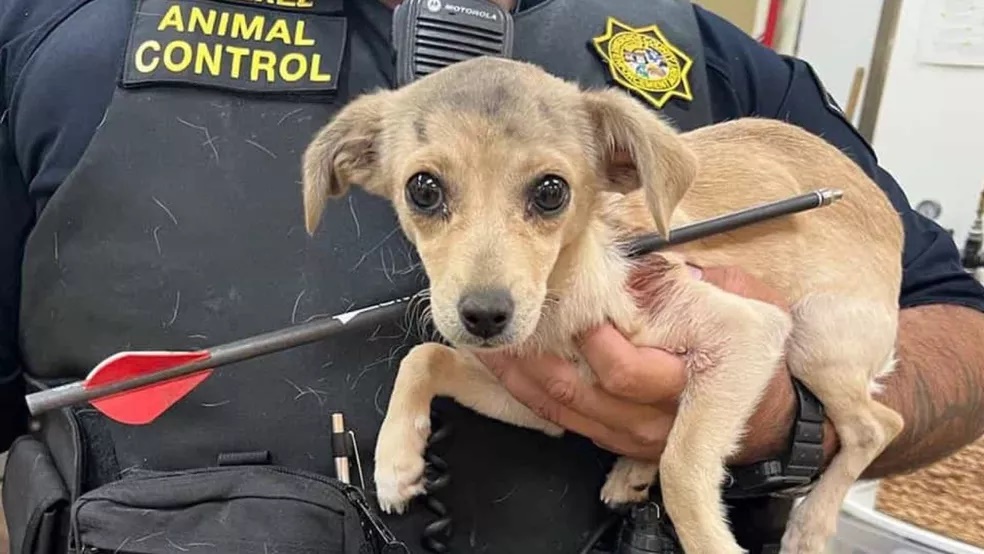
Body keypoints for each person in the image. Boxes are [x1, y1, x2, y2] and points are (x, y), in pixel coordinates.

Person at [1, 0, 983, 553]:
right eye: (427, 193)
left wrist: (783, 417)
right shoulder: (58, 36)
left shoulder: (697, 49)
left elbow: (958, 320)